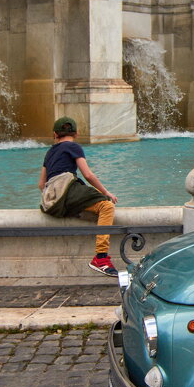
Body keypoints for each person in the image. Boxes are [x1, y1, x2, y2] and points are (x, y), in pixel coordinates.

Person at [38, 116, 120, 276]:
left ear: (55, 134)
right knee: (106, 206)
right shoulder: (73, 147)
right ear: (76, 134)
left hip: (53, 202)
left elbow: (41, 184)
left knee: (88, 203)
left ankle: (75, 208)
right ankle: (101, 258)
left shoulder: (49, 152)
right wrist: (106, 192)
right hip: (68, 192)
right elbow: (88, 175)